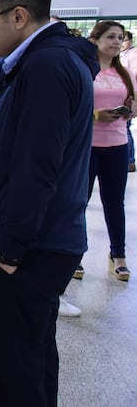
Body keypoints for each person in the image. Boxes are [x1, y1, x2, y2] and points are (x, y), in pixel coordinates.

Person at [0, 0, 99, 406]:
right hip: (45, 241)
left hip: (32, 247)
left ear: (18, 16)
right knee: (33, 358)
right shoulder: (43, 61)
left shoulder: (46, 67)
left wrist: (9, 251)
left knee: (14, 368)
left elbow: (36, 167)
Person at [81, 21, 134, 282]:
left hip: (117, 145)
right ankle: (75, 252)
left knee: (115, 202)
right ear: (96, 40)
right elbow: (73, 111)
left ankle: (118, 255)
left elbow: (132, 104)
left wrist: (131, 110)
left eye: (120, 37)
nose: (116, 41)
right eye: (110, 36)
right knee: (79, 201)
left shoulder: (125, 75)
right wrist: (96, 115)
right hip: (87, 147)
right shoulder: (85, 71)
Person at [120, 30, 137, 172]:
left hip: (130, 94)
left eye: (122, 39)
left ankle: (130, 160)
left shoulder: (133, 54)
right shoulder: (122, 55)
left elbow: (134, 74)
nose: (120, 43)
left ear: (130, 41)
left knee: (125, 129)